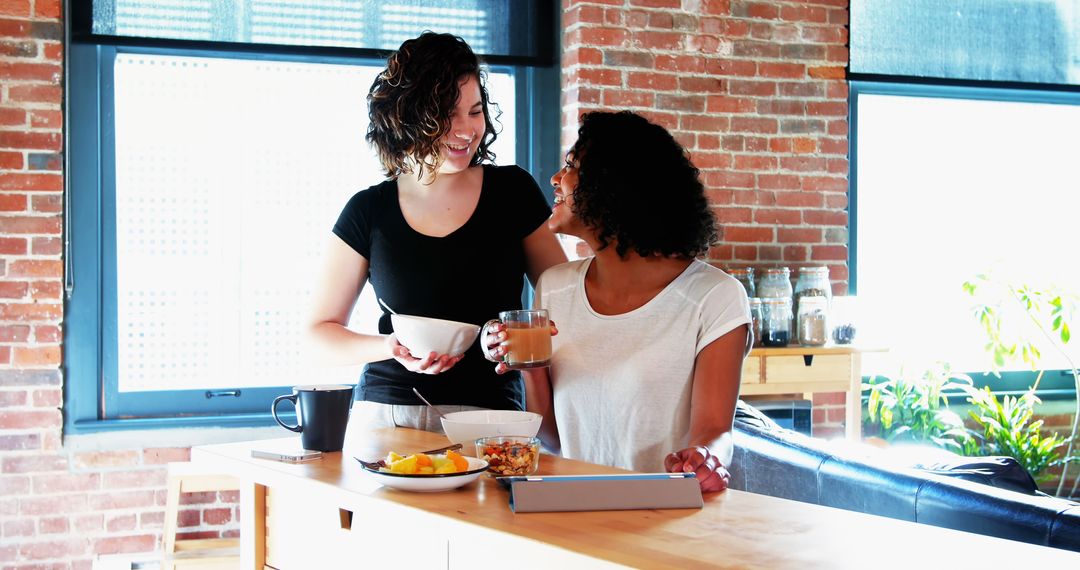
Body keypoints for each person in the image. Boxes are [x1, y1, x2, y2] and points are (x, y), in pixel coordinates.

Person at [307, 32, 565, 433]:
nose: (466, 130)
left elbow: (564, 303)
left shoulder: (513, 191)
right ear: (409, 116)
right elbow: (318, 335)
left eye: (475, 111)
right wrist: (390, 348)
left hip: (493, 419)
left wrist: (515, 337)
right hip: (388, 416)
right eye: (448, 115)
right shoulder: (369, 209)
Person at [483, 111, 751, 492]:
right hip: (569, 506)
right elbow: (553, 439)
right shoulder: (555, 288)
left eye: (571, 166)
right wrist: (527, 364)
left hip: (664, 514)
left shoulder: (714, 297)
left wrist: (705, 458)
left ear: (614, 187)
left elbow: (714, 432)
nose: (555, 179)